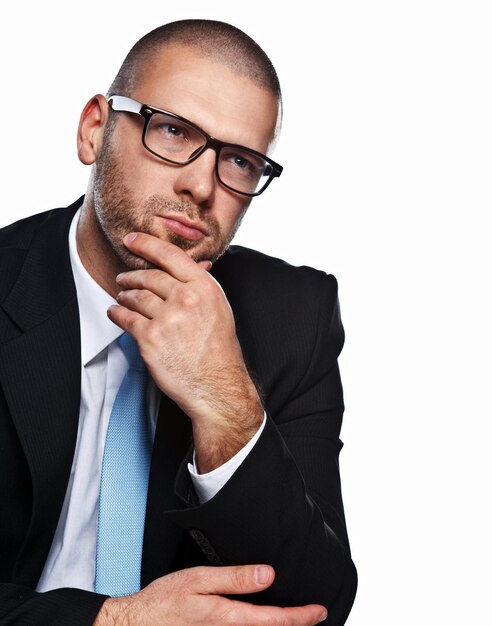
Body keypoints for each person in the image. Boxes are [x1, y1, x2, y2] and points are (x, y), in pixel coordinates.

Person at [0, 19, 357, 626]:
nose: (200, 186)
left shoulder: (294, 317)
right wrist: (115, 621)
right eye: (171, 131)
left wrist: (226, 403)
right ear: (94, 130)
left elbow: (313, 606)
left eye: (240, 162)